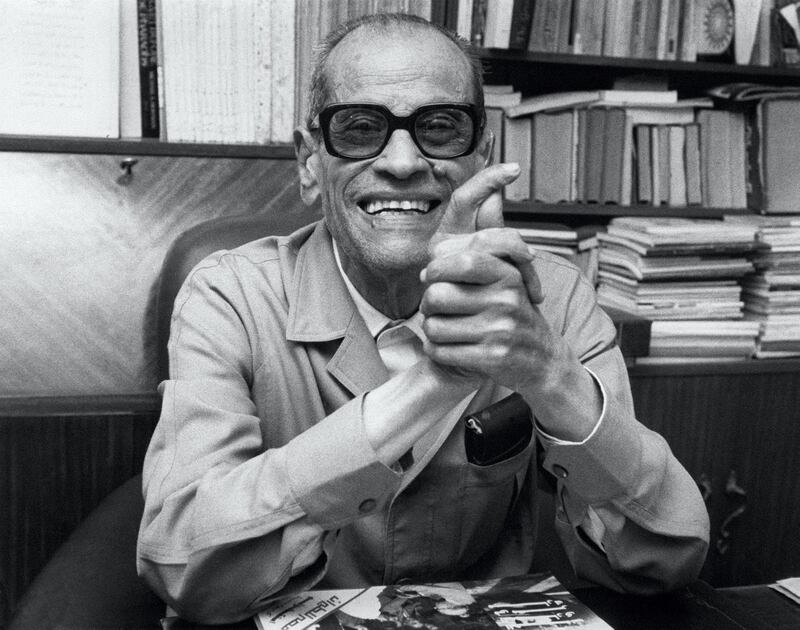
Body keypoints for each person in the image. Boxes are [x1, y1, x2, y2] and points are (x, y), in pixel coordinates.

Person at [137, 13, 710, 624]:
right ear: (309, 163)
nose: (405, 162)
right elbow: (182, 565)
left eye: (439, 127)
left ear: (481, 158)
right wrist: (435, 382)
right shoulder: (228, 296)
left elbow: (666, 559)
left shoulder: (552, 298)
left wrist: (549, 373)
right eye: (361, 128)